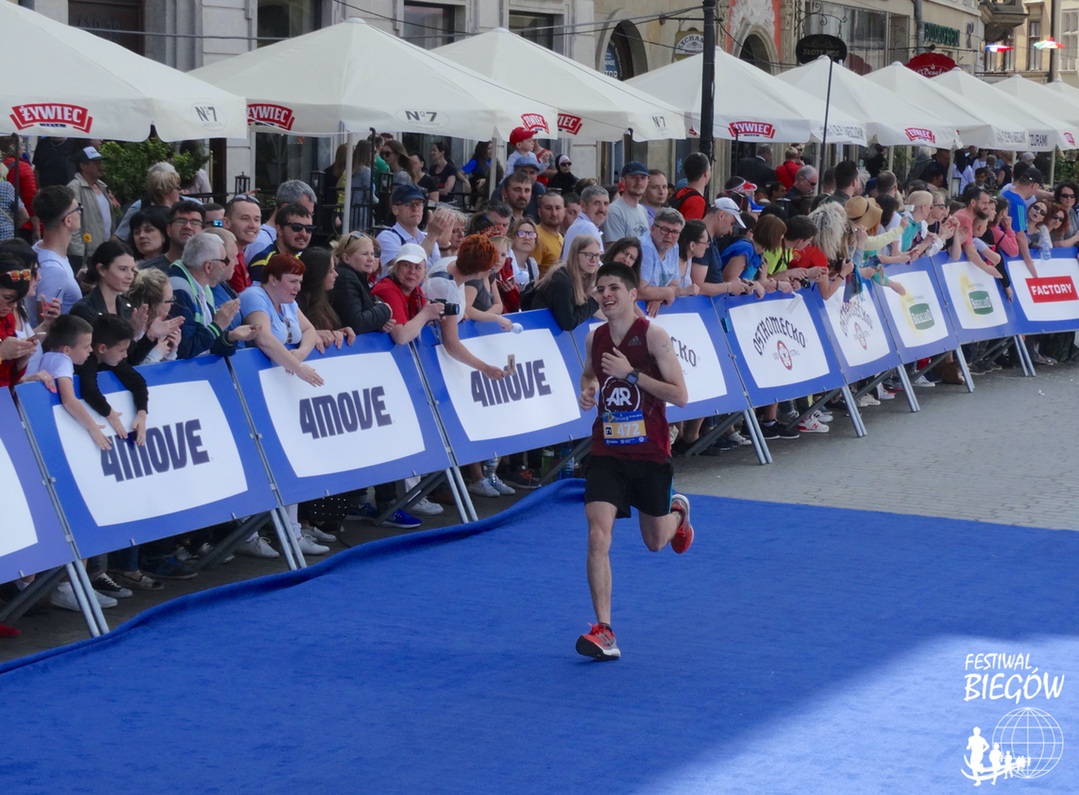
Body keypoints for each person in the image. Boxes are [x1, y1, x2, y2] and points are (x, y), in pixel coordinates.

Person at [575, 261, 693, 661]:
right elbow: (589, 374)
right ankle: (604, 630)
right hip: (606, 451)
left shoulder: (654, 336)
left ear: (631, 294)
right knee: (597, 534)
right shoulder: (595, 337)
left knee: (655, 542)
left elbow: (680, 396)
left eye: (613, 288)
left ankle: (678, 512)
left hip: (650, 453)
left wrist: (631, 375)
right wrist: (588, 390)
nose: (606, 295)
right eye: (600, 289)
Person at [70, 240, 181, 365]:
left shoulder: (127, 306)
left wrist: (150, 336)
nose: (130, 276)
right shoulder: (84, 310)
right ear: (102, 269)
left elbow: (131, 360)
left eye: (132, 270)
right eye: (123, 269)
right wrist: (133, 333)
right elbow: (102, 361)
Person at [27, 186, 83, 320]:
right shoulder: (53, 268)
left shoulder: (38, 248)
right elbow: (45, 324)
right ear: (68, 220)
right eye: (78, 209)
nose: (80, 213)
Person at [525, 234, 601, 331]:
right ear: (575, 255)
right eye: (589, 255)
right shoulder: (561, 280)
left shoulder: (587, 276)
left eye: (597, 255)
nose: (594, 260)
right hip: (540, 330)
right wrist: (594, 300)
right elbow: (568, 323)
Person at [377, 184, 451, 274]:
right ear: (395, 210)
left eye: (419, 204)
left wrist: (444, 246)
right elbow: (409, 271)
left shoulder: (426, 238)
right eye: (408, 204)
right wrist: (432, 236)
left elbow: (445, 271)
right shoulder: (387, 237)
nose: (415, 208)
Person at [330, 232, 394, 335]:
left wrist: (379, 323)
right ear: (346, 258)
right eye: (365, 254)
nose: (371, 259)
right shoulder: (346, 278)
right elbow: (355, 323)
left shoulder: (357, 276)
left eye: (372, 254)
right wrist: (384, 310)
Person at [67, 146, 117, 267]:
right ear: (83, 166)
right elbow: (72, 224)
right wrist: (79, 254)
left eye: (100, 162)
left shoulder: (102, 186)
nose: (101, 166)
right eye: (96, 163)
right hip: (86, 255)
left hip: (103, 253)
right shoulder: (74, 187)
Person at [141, 200, 206, 273]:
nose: (187, 226)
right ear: (168, 229)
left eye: (195, 222)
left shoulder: (209, 270)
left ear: (202, 231)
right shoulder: (147, 271)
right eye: (181, 221)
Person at [604, 161, 651, 241]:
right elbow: (614, 246)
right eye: (634, 178)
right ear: (623, 181)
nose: (639, 182)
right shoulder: (614, 211)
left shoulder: (643, 210)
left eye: (643, 178)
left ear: (648, 182)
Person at [561, 184, 609, 256]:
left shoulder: (581, 224)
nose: (602, 209)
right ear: (583, 205)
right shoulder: (587, 227)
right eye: (596, 203)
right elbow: (597, 261)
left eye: (606, 204)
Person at [670, 152, 710, 220]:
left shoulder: (679, 193)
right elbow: (692, 226)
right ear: (706, 173)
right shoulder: (697, 201)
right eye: (709, 170)